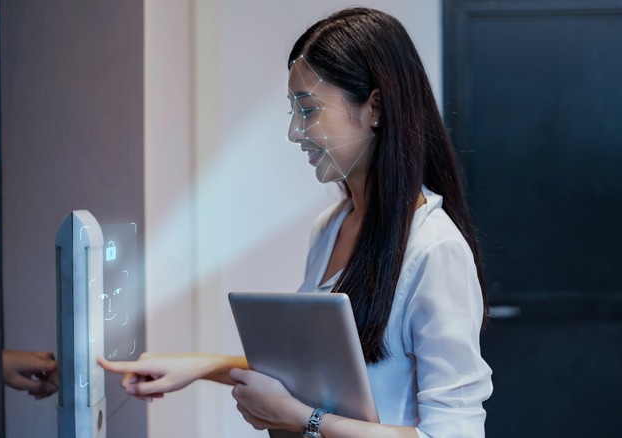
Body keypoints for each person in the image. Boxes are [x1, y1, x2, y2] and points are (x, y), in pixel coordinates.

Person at [99, 7, 492, 437]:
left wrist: (305, 420)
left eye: (308, 110)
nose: (294, 131)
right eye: (293, 110)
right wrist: (199, 366)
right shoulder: (330, 227)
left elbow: (454, 433)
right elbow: (312, 371)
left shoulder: (435, 251)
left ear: (374, 107)